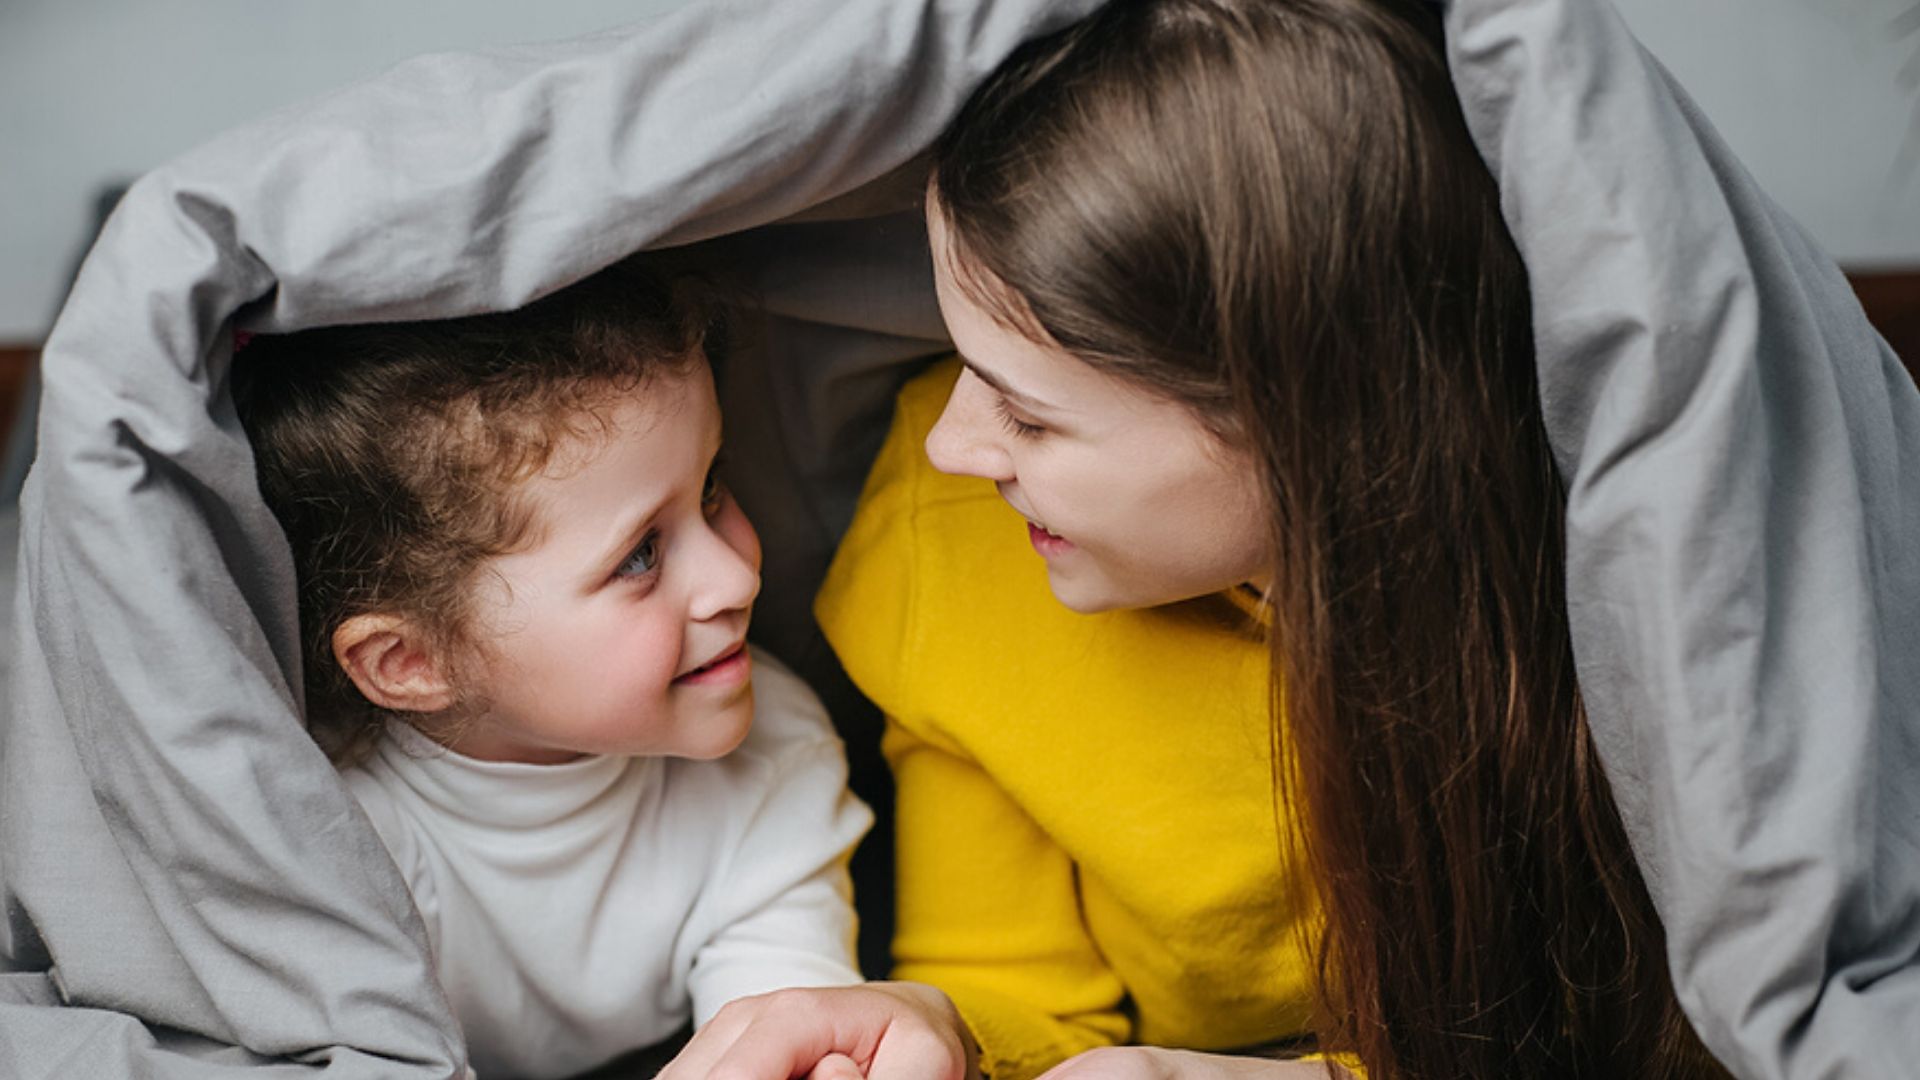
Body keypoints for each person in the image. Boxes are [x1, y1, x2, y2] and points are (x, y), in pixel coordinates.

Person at [658, 2, 1735, 1078]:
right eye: (956, 359)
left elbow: (1645, 1035)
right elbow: (1011, 984)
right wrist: (943, 1027)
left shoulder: (1611, 599)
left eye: (1029, 414)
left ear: (1301, 427)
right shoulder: (947, 548)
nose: (950, 444)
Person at [228, 259, 872, 1080]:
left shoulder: (774, 746)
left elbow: (781, 1029)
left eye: (710, 488)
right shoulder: (331, 834)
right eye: (640, 554)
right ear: (411, 660)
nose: (738, 579)